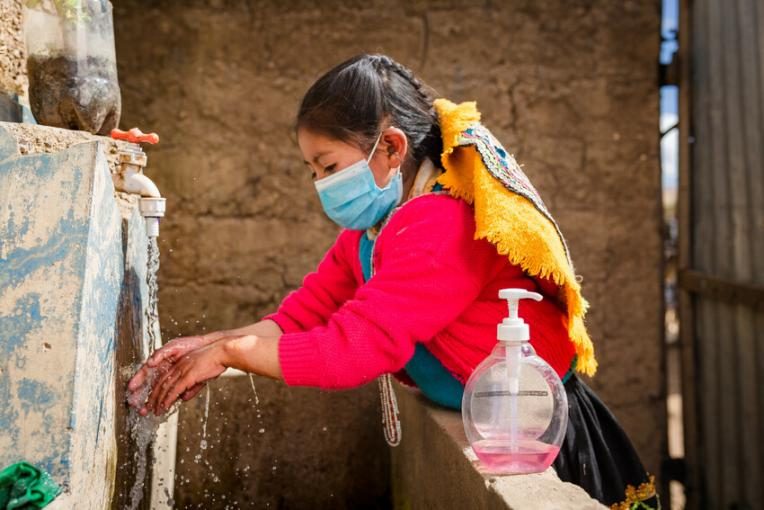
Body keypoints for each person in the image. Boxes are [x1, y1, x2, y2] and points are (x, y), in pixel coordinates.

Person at [127, 54, 658, 508]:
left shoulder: (441, 224)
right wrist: (212, 344)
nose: (321, 184)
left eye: (328, 165)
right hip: (492, 421)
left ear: (391, 148)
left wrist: (231, 355)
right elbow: (304, 315)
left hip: (544, 439)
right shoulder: (376, 230)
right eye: (312, 170)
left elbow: (350, 349)